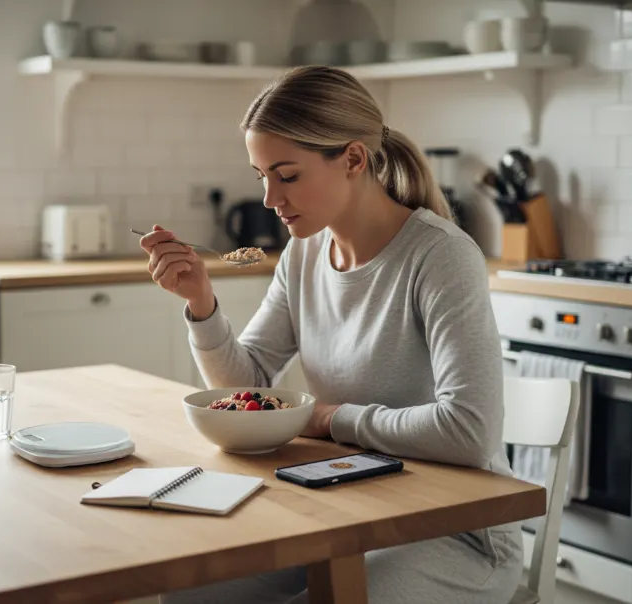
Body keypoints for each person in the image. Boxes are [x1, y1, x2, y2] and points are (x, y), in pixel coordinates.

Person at [139, 65, 522, 604]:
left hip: (455, 532)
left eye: (287, 175)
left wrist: (332, 420)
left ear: (353, 159)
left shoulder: (440, 255)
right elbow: (248, 385)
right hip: (346, 509)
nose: (270, 198)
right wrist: (201, 304)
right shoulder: (304, 253)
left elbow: (470, 431)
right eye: (261, 176)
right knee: (190, 590)